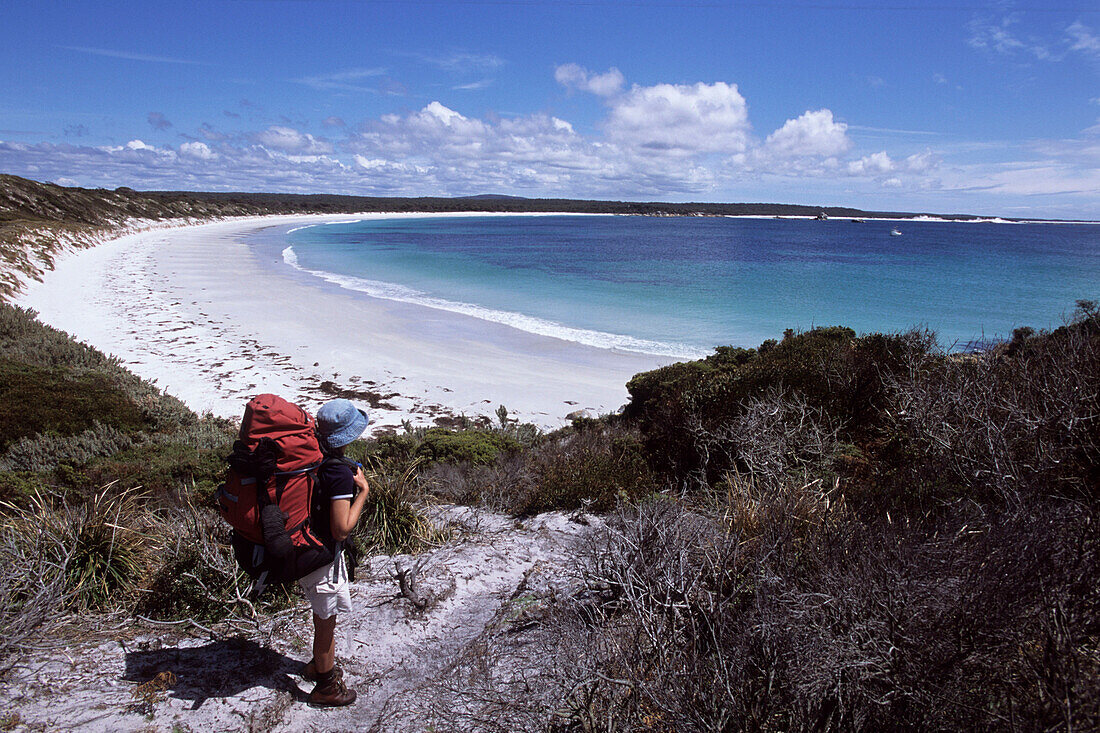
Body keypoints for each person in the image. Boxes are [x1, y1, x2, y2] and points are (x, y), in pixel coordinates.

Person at [298, 398, 371, 707]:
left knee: (322, 615)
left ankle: (318, 665)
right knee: (326, 622)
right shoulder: (340, 474)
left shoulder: (314, 459)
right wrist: (363, 492)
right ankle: (325, 687)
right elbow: (341, 528)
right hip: (323, 557)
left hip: (306, 549)